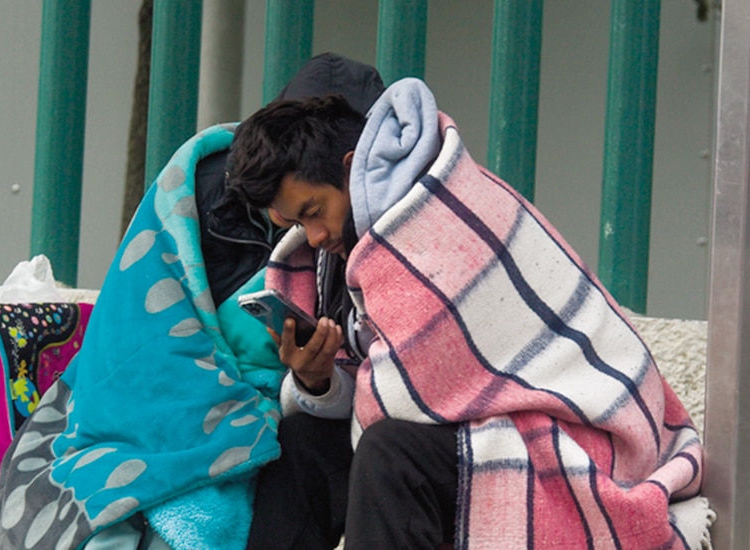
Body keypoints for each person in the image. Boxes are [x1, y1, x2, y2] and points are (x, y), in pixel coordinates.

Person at [227, 78, 713, 549]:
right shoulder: (352, 244)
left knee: (389, 456)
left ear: (351, 167)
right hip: (485, 437)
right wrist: (317, 380)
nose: (311, 237)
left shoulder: (435, 213)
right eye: (295, 223)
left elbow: (400, 399)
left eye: (313, 211)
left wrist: (353, 390)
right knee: (306, 438)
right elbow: (394, 379)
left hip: (573, 442)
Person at [0, 53, 384, 550]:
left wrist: (311, 382)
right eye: (297, 214)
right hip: (168, 400)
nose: (314, 231)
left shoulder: (381, 227)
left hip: (284, 417)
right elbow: (145, 328)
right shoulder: (214, 188)